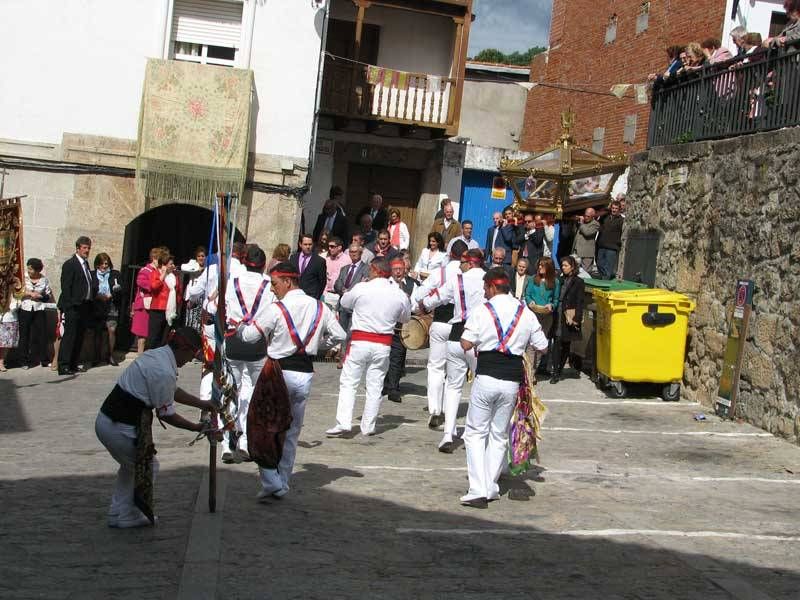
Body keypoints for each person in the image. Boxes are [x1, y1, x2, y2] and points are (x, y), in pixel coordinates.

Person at [237, 262, 346, 499]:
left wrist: (238, 329)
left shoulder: (277, 308)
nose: (272, 290)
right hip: (305, 374)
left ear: (288, 281)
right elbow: (340, 335)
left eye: (274, 284)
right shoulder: (320, 307)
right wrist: (317, 346)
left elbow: (250, 336)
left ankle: (270, 480)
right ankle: (282, 481)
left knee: (262, 426)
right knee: (291, 430)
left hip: (277, 373)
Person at [94, 327, 215, 528]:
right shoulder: (163, 370)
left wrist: (202, 404)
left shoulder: (157, 355)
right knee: (147, 467)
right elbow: (166, 414)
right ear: (183, 350)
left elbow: (171, 391)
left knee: (130, 467)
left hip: (108, 421)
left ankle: (118, 512)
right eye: (190, 355)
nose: (188, 362)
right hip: (119, 427)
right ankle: (127, 514)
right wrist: (195, 427)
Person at [458, 268, 548, 508]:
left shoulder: (482, 311)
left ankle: (478, 489)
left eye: (485, 288)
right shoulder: (525, 312)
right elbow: (543, 345)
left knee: (475, 433)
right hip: (511, 382)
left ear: (491, 286)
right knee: (498, 435)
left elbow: (466, 342)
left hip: (486, 377)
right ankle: (490, 486)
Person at [326, 258, 411, 437]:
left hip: (360, 341)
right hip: (383, 344)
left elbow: (345, 303)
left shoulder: (362, 288)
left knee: (349, 382)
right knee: (375, 384)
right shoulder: (398, 293)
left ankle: (343, 422)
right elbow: (405, 318)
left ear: (374, 270)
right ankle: (368, 425)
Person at [419, 249, 486, 454]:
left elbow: (431, 300)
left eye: (463, 262)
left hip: (457, 334)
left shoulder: (457, 281)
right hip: (481, 337)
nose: (460, 266)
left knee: (453, 385)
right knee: (480, 385)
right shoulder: (489, 279)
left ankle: (448, 433)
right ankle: (471, 432)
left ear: (470, 263)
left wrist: (422, 306)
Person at [222, 244, 275, 464]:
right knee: (254, 393)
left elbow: (223, 306)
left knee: (230, 390)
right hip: (258, 342)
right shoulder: (269, 284)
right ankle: (245, 440)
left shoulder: (233, 281)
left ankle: (226, 442)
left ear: (244, 262)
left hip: (233, 338)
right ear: (263, 265)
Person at [413, 240, 468, 429]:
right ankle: (447, 407)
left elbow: (419, 295)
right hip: (460, 326)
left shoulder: (440, 273)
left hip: (439, 322)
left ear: (450, 254)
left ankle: (435, 409)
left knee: (436, 367)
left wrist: (421, 306)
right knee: (454, 370)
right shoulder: (468, 274)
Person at [57, 236, 96, 375]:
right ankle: (63, 365)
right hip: (73, 306)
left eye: (88, 248)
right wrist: (70, 304)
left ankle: (73, 363)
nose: (87, 250)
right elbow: (66, 286)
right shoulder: (70, 264)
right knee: (70, 336)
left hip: (84, 306)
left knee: (79, 336)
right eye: (84, 248)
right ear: (78, 248)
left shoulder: (85, 265)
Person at [383, 257, 418, 403]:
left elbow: (416, 306)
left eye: (400, 269)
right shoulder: (385, 284)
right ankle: (385, 384)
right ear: (391, 270)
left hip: (401, 327)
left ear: (405, 270)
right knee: (384, 357)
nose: (398, 272)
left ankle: (393, 388)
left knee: (397, 358)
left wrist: (409, 302)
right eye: (395, 269)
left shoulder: (412, 284)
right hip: (385, 325)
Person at [550, 256, 585, 384]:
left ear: (572, 266)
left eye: (565, 265)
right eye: (562, 265)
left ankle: (559, 370)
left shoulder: (578, 282)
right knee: (557, 340)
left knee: (565, 343)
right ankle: (555, 371)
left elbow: (580, 301)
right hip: (558, 312)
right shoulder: (559, 279)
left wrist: (577, 318)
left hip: (569, 314)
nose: (563, 268)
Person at [524, 256, 560, 375]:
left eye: (542, 265)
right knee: (530, 344)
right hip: (533, 314)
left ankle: (534, 370)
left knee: (540, 344)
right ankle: (528, 373)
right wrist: (530, 302)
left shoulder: (555, 282)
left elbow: (555, 300)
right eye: (539, 265)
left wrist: (551, 306)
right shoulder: (532, 279)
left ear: (548, 267)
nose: (540, 268)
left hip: (546, 316)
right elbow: (527, 295)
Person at [18, 258, 52, 369]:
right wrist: (29, 293)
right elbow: (17, 291)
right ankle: (24, 361)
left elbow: (48, 296)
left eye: (31, 269)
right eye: (28, 268)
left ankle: (44, 359)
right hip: (25, 308)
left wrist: (40, 296)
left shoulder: (44, 280)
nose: (28, 270)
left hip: (39, 309)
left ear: (37, 270)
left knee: (42, 334)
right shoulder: (23, 278)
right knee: (24, 335)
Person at [90, 253, 122, 366]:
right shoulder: (92, 274)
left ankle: (110, 355)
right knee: (98, 331)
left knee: (112, 330)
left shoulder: (115, 274)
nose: (104, 266)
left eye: (106, 263)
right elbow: (90, 289)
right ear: (97, 264)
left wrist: (112, 293)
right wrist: (98, 296)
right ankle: (96, 356)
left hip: (111, 305)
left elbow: (120, 289)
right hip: (98, 305)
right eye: (102, 263)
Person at [333, 244, 370, 336]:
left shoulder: (367, 269)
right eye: (351, 252)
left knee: (350, 335)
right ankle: (341, 350)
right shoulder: (344, 268)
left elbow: (363, 285)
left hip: (355, 308)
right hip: (342, 307)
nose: (352, 254)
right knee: (340, 335)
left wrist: (349, 292)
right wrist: (342, 290)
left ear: (361, 253)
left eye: (355, 252)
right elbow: (337, 284)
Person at [132, 248, 160, 356]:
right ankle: (140, 358)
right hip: (144, 306)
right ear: (153, 258)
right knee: (142, 336)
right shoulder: (145, 270)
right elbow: (141, 282)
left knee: (151, 335)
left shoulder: (158, 271)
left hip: (154, 305)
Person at [146, 251, 173, 350]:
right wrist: (163, 275)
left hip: (168, 309)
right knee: (153, 336)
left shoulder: (172, 276)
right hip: (157, 308)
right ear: (164, 265)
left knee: (163, 338)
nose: (172, 266)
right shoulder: (155, 273)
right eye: (170, 264)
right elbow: (154, 286)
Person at [289, 234, 327, 299]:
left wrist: (316, 297)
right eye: (305, 244)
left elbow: (322, 281)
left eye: (310, 244)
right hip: (294, 295)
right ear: (300, 244)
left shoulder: (319, 261)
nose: (308, 247)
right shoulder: (293, 258)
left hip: (310, 297)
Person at [596, 200, 624, 280]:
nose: (614, 210)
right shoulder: (605, 217)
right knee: (599, 264)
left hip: (612, 247)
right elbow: (597, 216)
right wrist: (607, 209)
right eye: (613, 208)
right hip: (601, 245)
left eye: (616, 208)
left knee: (608, 268)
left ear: (619, 209)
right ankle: (604, 278)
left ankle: (605, 282)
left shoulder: (621, 220)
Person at [182, 246, 207, 332]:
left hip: (203, 296)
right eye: (199, 256)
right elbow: (183, 267)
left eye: (203, 256)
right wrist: (198, 269)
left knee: (200, 320)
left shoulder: (208, 265)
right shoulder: (192, 263)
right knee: (191, 318)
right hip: (193, 294)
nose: (201, 258)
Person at [573, 207, 600, 275]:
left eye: (588, 216)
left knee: (586, 273)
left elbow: (587, 233)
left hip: (586, 253)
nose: (586, 217)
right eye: (585, 215)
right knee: (574, 271)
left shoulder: (595, 224)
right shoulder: (581, 222)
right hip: (577, 251)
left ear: (593, 216)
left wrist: (581, 223)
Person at [0, 295, 21, 372]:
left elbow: (17, 303)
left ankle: (1, 362)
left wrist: (11, 305)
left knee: (6, 344)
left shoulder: (13, 290)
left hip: (9, 318)